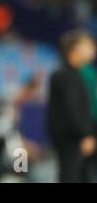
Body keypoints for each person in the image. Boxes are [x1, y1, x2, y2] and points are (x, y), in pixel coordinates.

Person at [47, 30, 97, 182]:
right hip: (71, 137)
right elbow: (73, 109)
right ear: (75, 48)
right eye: (88, 45)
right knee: (71, 175)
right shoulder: (66, 75)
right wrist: (85, 134)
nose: (92, 49)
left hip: (76, 135)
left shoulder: (78, 74)